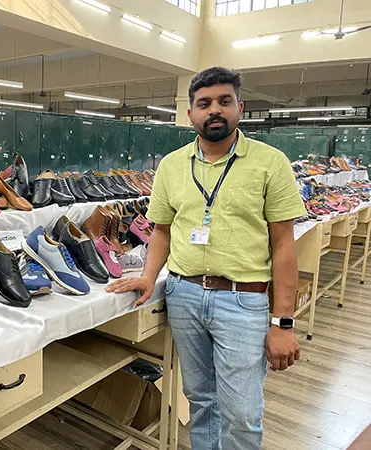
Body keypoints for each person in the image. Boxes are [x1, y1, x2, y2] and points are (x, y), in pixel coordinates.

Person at [106, 67, 306, 449]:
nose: (214, 110)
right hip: (184, 294)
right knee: (200, 401)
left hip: (243, 299)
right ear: (190, 114)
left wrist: (282, 322)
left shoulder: (270, 163)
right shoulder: (171, 165)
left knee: (242, 414)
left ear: (240, 108)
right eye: (204, 103)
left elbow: (284, 245)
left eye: (224, 101)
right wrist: (149, 275)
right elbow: (161, 230)